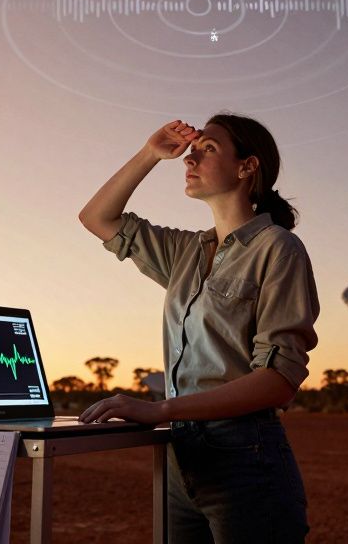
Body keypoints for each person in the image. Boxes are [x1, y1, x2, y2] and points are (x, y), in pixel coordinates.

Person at [77, 114, 318, 543]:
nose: (191, 157)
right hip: (180, 456)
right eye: (193, 149)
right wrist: (150, 153)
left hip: (245, 457)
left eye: (208, 149)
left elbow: (278, 381)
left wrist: (161, 410)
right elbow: (97, 217)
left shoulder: (278, 249)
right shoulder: (186, 251)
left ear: (247, 167)